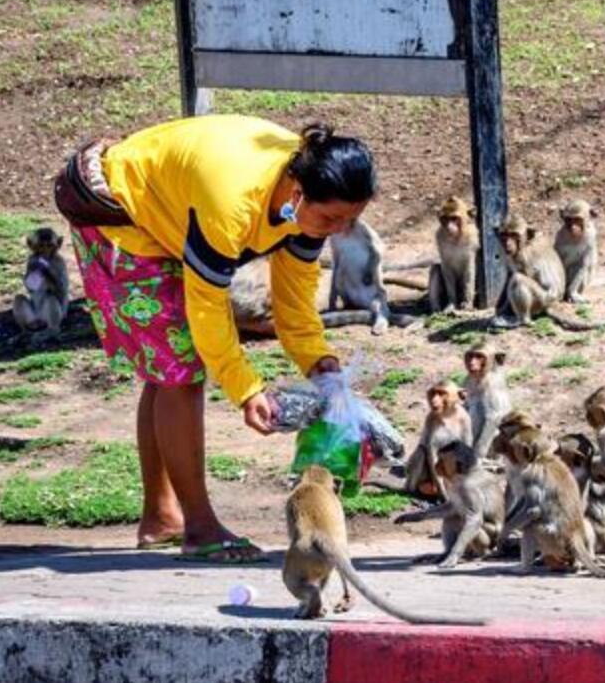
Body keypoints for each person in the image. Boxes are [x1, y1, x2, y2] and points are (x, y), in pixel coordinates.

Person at [57, 115, 377, 562]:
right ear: (298, 192)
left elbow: (295, 298)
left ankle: (161, 518)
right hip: (119, 215)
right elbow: (208, 305)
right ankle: (199, 527)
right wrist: (245, 388)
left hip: (165, 215)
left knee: (168, 373)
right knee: (180, 374)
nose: (339, 230)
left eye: (350, 220)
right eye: (332, 217)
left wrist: (315, 357)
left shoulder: (302, 206)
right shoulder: (233, 201)